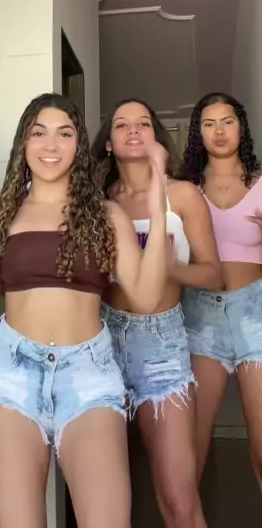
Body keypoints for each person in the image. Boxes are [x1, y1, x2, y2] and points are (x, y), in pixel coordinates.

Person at [0, 92, 169, 528]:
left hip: (89, 375)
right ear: (23, 143)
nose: (51, 145)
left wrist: (158, 204)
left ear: (79, 144)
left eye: (64, 134)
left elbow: (146, 298)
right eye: (39, 133)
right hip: (11, 377)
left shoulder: (107, 216)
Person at [92, 98, 221, 528]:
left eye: (143, 123)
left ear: (156, 136)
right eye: (122, 124)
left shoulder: (182, 194)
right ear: (108, 142)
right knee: (102, 500)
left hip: (162, 346)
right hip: (100, 344)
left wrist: (169, 269)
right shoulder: (98, 201)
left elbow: (213, 274)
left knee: (178, 498)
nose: (133, 130)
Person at [182, 92, 262, 489]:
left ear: (241, 127)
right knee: (190, 452)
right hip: (200, 317)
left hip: (255, 314)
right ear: (198, 132)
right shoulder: (185, 190)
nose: (219, 131)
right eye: (209, 123)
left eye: (227, 121)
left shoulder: (261, 185)